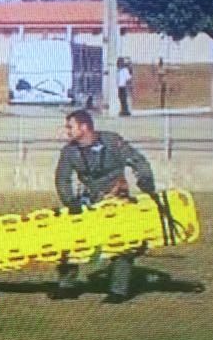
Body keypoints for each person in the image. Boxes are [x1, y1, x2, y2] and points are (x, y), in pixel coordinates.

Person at [53, 108, 157, 303]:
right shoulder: (69, 151)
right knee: (68, 240)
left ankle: (119, 291)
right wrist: (70, 202)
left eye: (70, 127)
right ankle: (67, 286)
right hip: (87, 202)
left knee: (122, 244)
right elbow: (62, 179)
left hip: (117, 199)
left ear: (84, 127)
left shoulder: (113, 141)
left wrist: (145, 181)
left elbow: (138, 160)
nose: (67, 131)